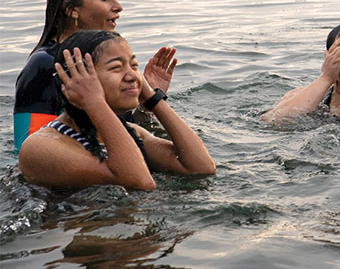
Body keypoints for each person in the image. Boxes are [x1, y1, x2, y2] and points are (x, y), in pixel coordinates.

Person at [18, 30, 216, 190]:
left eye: (134, 65)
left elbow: (200, 167)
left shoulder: (131, 132)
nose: (131, 75)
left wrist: (151, 96)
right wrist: (94, 101)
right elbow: (140, 181)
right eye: (116, 68)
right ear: (77, 79)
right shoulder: (41, 147)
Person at [13, 0, 176, 152]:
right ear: (72, 10)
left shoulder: (105, 56)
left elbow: (122, 129)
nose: (118, 7)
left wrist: (148, 100)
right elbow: (27, 150)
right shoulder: (45, 64)